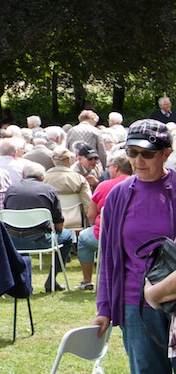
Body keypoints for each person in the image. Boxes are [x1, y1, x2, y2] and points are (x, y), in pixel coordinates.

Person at [94, 119, 176, 372]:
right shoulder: (118, 194)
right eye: (132, 152)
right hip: (135, 304)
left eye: (147, 154)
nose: (138, 160)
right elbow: (108, 257)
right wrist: (104, 308)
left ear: (166, 154)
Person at [3, 163, 74, 292]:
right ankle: (52, 279)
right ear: (42, 177)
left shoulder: (11, 189)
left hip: (13, 240)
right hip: (39, 239)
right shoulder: (49, 190)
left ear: (23, 175)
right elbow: (59, 225)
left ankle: (23, 282)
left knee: (22, 234)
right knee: (68, 236)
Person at [76, 151, 132, 291]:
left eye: (109, 167)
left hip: (105, 235)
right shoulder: (139, 184)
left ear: (116, 167)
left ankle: (87, 281)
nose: (108, 170)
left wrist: (94, 224)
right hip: (131, 235)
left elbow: (91, 214)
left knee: (83, 239)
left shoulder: (104, 185)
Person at [43, 145, 92, 229]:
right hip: (76, 223)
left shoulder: (44, 179)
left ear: (53, 160)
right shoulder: (79, 179)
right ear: (69, 160)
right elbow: (88, 204)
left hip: (52, 224)